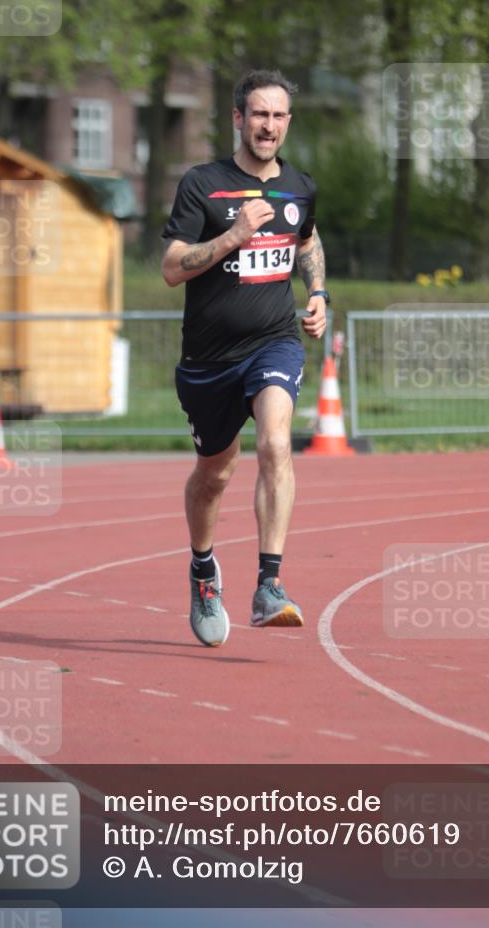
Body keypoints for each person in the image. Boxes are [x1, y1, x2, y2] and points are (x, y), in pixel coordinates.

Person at [161, 68, 328, 648]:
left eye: (279, 116)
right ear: (238, 118)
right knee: (215, 475)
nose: (270, 126)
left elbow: (306, 239)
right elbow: (170, 268)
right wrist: (231, 237)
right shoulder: (203, 184)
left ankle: (269, 586)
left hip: (274, 341)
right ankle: (204, 571)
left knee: (277, 442)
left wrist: (318, 294)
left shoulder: (299, 186)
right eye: (260, 114)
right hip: (208, 360)